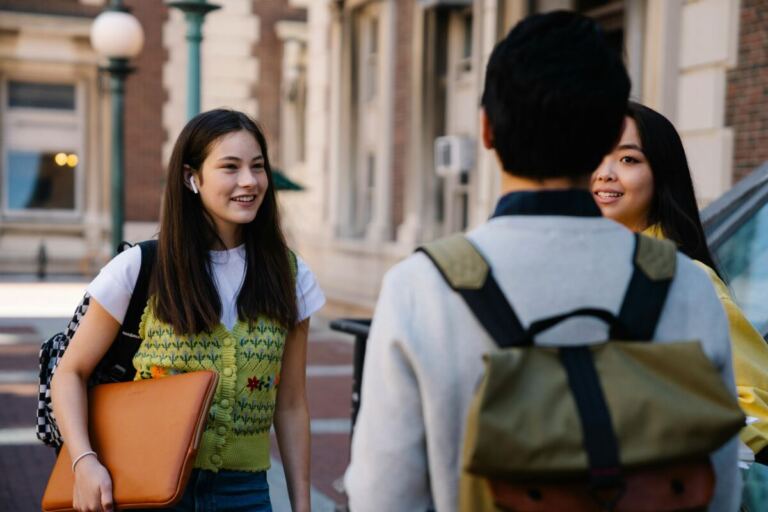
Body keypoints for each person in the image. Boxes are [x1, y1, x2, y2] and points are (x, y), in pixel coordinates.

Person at [344, 10, 740, 512]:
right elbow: (718, 488)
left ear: (486, 129)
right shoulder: (685, 284)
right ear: (609, 136)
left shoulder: (420, 287)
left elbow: (382, 496)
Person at [51, 109, 325, 512]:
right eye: (230, 167)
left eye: (257, 166)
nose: (249, 181)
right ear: (191, 177)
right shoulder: (142, 267)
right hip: (144, 484)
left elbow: (291, 403)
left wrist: (302, 505)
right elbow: (69, 373)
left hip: (246, 493)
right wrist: (84, 462)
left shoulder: (291, 275)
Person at [591, 100, 768, 464]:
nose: (605, 172)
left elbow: (758, 409)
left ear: (661, 175)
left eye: (628, 159)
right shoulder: (574, 269)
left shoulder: (684, 280)